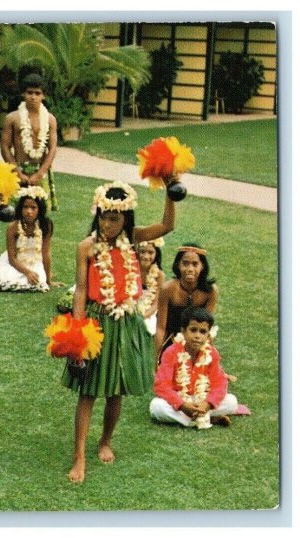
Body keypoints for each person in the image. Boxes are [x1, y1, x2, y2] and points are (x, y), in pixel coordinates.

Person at [63, 180, 175, 483]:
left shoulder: (135, 240)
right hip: (97, 322)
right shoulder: (86, 247)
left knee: (116, 391)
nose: (108, 224)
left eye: (114, 218)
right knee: (87, 392)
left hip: (126, 321)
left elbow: (167, 225)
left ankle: (105, 440)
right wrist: (78, 331)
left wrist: (171, 188)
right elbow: (81, 291)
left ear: (126, 219)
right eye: (103, 216)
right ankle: (79, 455)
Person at [150, 307, 238, 428]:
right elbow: (161, 385)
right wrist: (182, 405)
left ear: (208, 335)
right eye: (193, 330)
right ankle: (207, 418)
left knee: (232, 402)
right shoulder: (171, 352)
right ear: (183, 331)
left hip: (203, 399)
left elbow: (220, 383)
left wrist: (208, 403)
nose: (197, 336)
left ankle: (194, 418)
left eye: (202, 332)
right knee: (156, 407)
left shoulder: (212, 353)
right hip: (179, 399)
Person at [0, 186, 61, 292]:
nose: (29, 211)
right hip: (14, 263)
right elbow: (12, 258)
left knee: (39, 280)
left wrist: (48, 280)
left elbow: (46, 254)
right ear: (20, 208)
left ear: (40, 209)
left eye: (33, 208)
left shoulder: (46, 225)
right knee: (9, 279)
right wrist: (27, 272)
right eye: (25, 207)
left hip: (35, 262)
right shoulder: (13, 227)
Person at [0, 73, 59, 210]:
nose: (33, 97)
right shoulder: (12, 118)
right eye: (29, 92)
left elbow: (52, 148)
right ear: (23, 94)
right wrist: (17, 172)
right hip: (18, 169)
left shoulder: (50, 119)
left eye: (37, 93)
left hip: (41, 169)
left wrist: (40, 173)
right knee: (15, 213)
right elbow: (5, 146)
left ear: (43, 96)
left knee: (41, 214)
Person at [154, 243, 218, 359]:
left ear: (202, 266)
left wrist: (211, 359)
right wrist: (155, 359)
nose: (190, 269)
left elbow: (206, 327)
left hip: (197, 341)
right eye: (185, 264)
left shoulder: (211, 291)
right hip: (171, 341)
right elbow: (160, 328)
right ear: (178, 265)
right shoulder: (167, 289)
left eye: (195, 264)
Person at [136, 237, 165, 336]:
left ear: (156, 254)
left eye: (150, 252)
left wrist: (143, 317)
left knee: (147, 327)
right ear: (137, 252)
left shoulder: (159, 275)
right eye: (142, 252)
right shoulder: (130, 269)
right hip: (131, 306)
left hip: (149, 311)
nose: (146, 256)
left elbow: (156, 303)